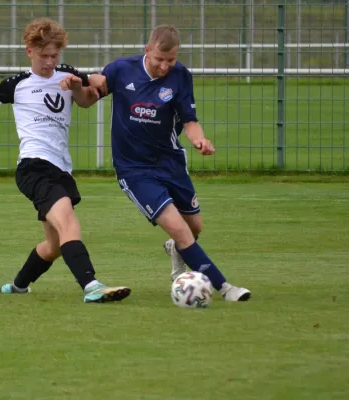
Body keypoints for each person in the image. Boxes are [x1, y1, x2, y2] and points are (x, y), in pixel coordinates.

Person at [0, 18, 130, 304]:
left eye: (55, 55)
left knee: (53, 245)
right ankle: (91, 286)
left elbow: (89, 98)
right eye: (44, 56)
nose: (50, 62)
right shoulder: (18, 84)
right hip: (34, 166)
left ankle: (18, 286)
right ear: (29, 51)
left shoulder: (67, 74)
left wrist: (79, 85)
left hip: (61, 168)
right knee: (68, 223)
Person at [62, 24, 250, 301]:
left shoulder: (181, 76)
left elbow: (189, 121)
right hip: (135, 170)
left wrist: (200, 140)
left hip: (171, 163)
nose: (164, 66)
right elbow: (87, 100)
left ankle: (176, 250)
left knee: (194, 227)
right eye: (159, 59)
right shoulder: (121, 70)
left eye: (170, 60)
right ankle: (225, 288)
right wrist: (78, 87)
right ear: (147, 50)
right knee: (179, 228)